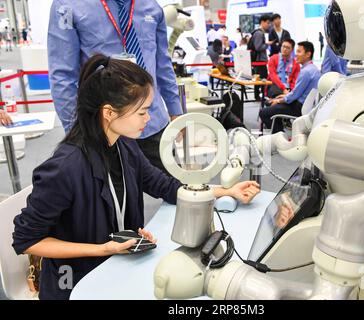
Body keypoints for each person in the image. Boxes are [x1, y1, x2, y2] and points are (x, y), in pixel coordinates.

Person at [12, 54, 261, 300]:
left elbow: (164, 185)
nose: (149, 118)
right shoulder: (65, 168)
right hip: (76, 284)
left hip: (116, 267)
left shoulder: (125, 146)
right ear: (109, 112)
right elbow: (26, 240)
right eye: (142, 112)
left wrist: (225, 192)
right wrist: (103, 249)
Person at [48, 0, 183, 173]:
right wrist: (78, 130)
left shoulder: (151, 6)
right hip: (106, 127)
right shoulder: (67, 6)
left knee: (177, 189)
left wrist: (176, 111)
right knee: (115, 197)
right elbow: (63, 75)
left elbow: (163, 63)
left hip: (152, 122)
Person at [260, 41, 321, 133]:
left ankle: (279, 137)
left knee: (264, 112)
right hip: (305, 104)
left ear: (308, 54)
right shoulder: (314, 69)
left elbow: (296, 93)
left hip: (299, 106)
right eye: (296, 51)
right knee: (273, 104)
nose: (296, 54)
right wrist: (284, 97)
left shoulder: (305, 71)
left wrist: (280, 100)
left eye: (299, 51)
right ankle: (279, 134)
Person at [249, 14, 273, 100]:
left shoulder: (257, 32)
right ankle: (261, 96)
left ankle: (258, 96)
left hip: (258, 60)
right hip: (259, 60)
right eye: (267, 23)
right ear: (262, 22)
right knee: (262, 79)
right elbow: (258, 47)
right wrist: (267, 44)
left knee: (258, 78)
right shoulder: (259, 33)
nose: (269, 25)